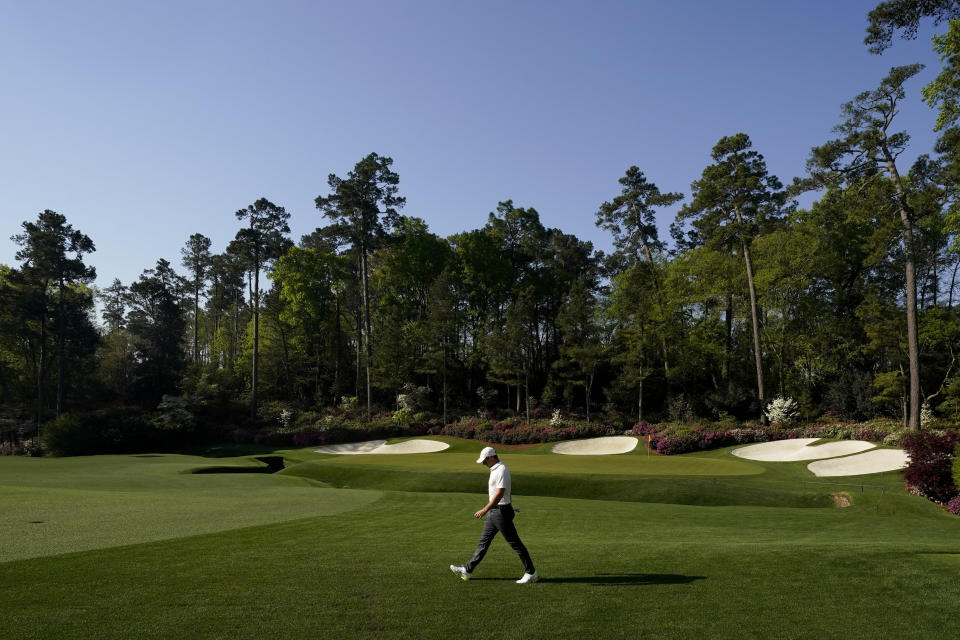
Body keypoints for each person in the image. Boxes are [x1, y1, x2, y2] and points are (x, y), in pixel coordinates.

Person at [450, 446, 539, 583]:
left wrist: (484, 509)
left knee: (515, 543)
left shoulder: (502, 470)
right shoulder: (495, 470)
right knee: (483, 543)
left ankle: (531, 572)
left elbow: (499, 494)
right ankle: (467, 570)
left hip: (501, 512)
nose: (483, 464)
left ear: (491, 457)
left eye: (485, 461)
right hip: (495, 512)